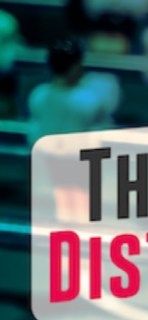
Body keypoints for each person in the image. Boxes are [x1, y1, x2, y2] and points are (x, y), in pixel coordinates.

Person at [27, 36, 120, 221]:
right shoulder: (90, 98)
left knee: (70, 207)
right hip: (71, 163)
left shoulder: (39, 94)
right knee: (72, 207)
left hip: (63, 162)